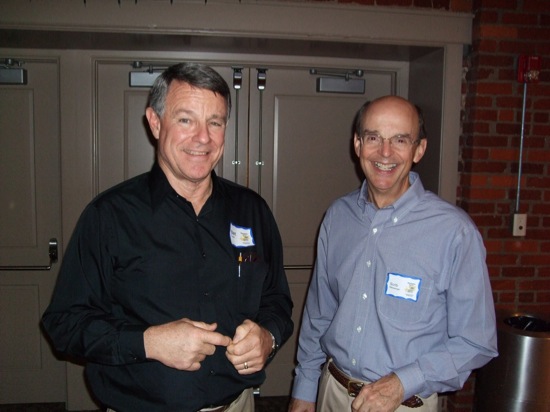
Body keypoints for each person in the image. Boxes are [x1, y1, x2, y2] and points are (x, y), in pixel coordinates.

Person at [41, 62, 293, 412]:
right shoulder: (109, 216)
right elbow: (64, 323)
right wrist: (149, 342)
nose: (203, 137)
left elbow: (277, 301)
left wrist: (269, 336)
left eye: (215, 122)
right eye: (186, 120)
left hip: (236, 405)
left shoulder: (253, 211)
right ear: (155, 122)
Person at [288, 95, 498, 412]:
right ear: (358, 144)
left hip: (404, 403)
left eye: (400, 140)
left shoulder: (454, 233)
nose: (385, 153)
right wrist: (305, 386)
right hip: (333, 392)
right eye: (374, 137)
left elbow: (476, 342)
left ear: (419, 149)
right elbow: (320, 313)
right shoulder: (338, 217)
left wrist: (403, 382)